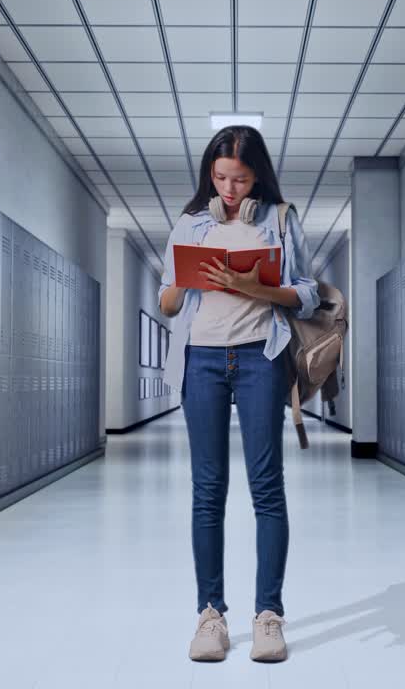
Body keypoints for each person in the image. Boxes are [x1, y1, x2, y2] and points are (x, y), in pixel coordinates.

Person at [158, 125, 320, 663]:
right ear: (210, 173)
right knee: (208, 490)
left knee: (266, 488)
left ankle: (268, 615)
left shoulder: (278, 219)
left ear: (259, 177)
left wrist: (258, 289)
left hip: (259, 358)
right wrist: (185, 275)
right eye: (221, 177)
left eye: (242, 179)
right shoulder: (191, 222)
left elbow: (308, 293)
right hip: (201, 361)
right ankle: (210, 616)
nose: (230, 189)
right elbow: (167, 304)